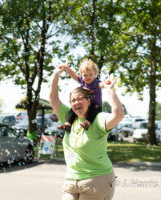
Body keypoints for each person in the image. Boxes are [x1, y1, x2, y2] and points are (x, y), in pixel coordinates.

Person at [49, 64, 124, 200]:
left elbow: (118, 115)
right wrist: (56, 75)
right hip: (71, 182)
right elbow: (54, 99)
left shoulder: (98, 119)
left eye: (80, 99)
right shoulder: (68, 116)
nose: (76, 102)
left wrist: (110, 90)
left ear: (89, 100)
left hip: (97, 180)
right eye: (73, 100)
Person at [57, 59, 105, 132]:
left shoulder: (96, 82)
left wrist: (106, 83)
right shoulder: (82, 81)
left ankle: (87, 123)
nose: (88, 77)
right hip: (85, 105)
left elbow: (101, 85)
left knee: (95, 108)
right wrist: (66, 68)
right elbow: (73, 74)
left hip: (95, 106)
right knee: (73, 110)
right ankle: (68, 124)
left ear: (95, 73)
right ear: (81, 75)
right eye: (85, 75)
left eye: (90, 74)